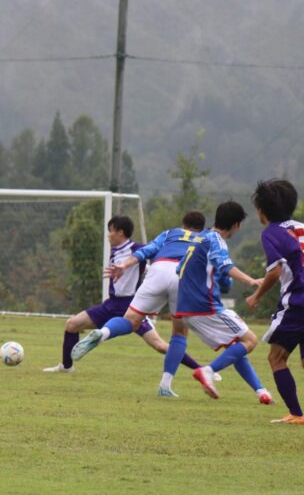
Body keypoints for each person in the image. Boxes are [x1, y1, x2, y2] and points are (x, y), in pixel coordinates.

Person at [71, 212, 214, 397]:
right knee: (179, 333)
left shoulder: (170, 233)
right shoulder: (207, 238)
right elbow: (214, 267)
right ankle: (165, 385)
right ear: (200, 228)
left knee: (131, 320)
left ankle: (103, 333)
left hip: (159, 270)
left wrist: (124, 265)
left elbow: (146, 251)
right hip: (183, 274)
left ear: (183, 225)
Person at [43, 216, 200, 375]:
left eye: (110, 231)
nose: (108, 235)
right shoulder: (115, 250)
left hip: (131, 309)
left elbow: (160, 257)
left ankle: (202, 370)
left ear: (120, 232)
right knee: (72, 324)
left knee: (160, 346)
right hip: (110, 305)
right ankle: (67, 367)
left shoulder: (137, 249)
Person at [167, 201, 271, 403]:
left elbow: (180, 269)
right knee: (250, 340)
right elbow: (225, 265)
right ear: (236, 225)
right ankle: (207, 371)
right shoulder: (217, 240)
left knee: (236, 346)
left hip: (186, 309)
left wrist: (218, 280)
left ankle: (262, 391)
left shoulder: (201, 238)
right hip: (204, 307)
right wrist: (251, 280)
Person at [246, 180, 304, 424]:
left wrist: (255, 296)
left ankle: (296, 414)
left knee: (276, 358)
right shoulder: (301, 227)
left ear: (261, 210)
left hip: (298, 302)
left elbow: (275, 271)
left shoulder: (271, 232)